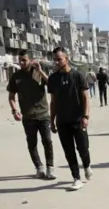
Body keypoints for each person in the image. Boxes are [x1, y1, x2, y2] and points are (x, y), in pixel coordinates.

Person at [47, 47, 92, 191]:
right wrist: (52, 120)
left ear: (66, 58)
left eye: (59, 59)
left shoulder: (78, 76)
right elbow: (53, 101)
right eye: (55, 59)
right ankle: (76, 178)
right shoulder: (53, 79)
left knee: (83, 148)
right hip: (62, 121)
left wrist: (85, 116)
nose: (57, 62)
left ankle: (86, 165)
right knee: (69, 151)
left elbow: (85, 98)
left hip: (78, 119)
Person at [7, 50, 56, 180]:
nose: (22, 62)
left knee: (47, 141)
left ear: (30, 60)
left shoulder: (37, 72)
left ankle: (50, 168)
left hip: (43, 114)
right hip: (27, 116)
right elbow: (11, 96)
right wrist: (14, 110)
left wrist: (40, 71)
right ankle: (39, 167)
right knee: (32, 143)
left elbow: (52, 84)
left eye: (24, 60)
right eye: (20, 60)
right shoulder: (16, 77)